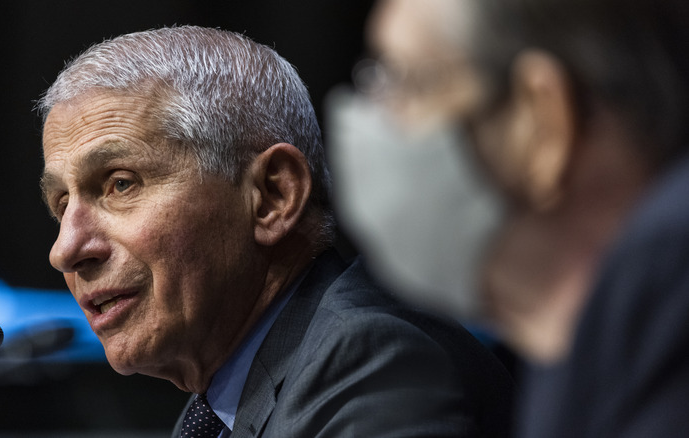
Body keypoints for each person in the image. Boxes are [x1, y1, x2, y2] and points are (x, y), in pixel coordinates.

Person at [36, 26, 513, 437]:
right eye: (61, 205)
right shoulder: (221, 407)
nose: (66, 249)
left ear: (273, 196)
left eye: (120, 184)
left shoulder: (373, 362)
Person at [327, 0, 689, 436]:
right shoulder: (581, 346)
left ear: (542, 120)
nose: (370, 124)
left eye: (401, 83)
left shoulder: (666, 297)